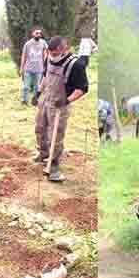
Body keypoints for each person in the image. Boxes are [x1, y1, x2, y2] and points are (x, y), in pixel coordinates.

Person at [33, 36, 88, 182]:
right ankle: (43, 154)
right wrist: (38, 92)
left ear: (63, 49)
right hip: (46, 98)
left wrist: (66, 100)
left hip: (60, 104)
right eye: (50, 52)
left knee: (55, 136)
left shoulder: (75, 64)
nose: (51, 55)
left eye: (54, 52)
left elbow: (82, 88)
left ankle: (54, 166)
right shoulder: (48, 58)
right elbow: (45, 76)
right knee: (39, 128)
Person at [20, 28, 48, 106]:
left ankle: (35, 101)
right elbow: (24, 56)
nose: (39, 34)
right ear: (33, 34)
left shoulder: (43, 43)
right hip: (28, 69)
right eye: (36, 33)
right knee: (26, 86)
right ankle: (24, 101)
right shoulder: (28, 44)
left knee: (37, 87)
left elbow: (46, 53)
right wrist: (21, 68)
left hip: (39, 69)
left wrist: (45, 63)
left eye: (40, 33)